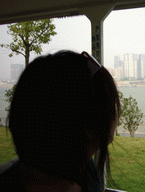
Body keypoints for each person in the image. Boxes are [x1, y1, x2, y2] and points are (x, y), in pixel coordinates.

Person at [0, 50, 121, 192]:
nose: (116, 114)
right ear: (87, 123)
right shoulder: (82, 166)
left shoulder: (84, 166)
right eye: (110, 105)